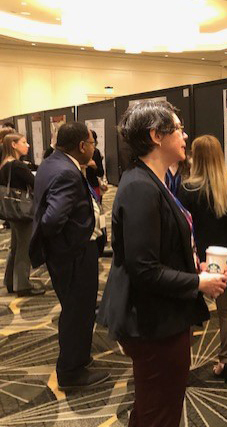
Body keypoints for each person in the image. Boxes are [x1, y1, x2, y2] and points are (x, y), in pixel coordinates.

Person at [97, 100, 227, 427]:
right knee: (160, 411)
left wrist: (194, 269)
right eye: (179, 128)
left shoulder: (150, 181)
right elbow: (144, 269)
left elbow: (156, 252)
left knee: (152, 407)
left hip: (159, 317)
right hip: (153, 322)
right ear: (156, 135)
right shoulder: (141, 187)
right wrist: (200, 283)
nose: (185, 135)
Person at [29, 122, 109, 390]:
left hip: (65, 254)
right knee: (78, 311)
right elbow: (52, 221)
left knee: (77, 309)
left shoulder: (52, 163)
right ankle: (71, 373)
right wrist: (79, 236)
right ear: (81, 146)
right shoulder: (66, 172)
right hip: (73, 254)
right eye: (92, 143)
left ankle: (78, 359)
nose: (94, 148)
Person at [178, 134, 227, 384]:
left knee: (187, 310)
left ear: (195, 158)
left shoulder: (186, 189)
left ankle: (181, 364)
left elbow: (184, 229)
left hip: (197, 260)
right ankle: (226, 361)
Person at [0, 133, 43, 296]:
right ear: (13, 145)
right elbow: (35, 183)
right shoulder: (17, 165)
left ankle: (10, 281)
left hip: (12, 211)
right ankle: (23, 285)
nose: (28, 145)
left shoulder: (5, 164)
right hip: (23, 211)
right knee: (24, 248)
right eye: (24, 142)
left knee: (15, 247)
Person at [85, 130, 105, 202]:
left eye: (92, 142)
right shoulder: (78, 153)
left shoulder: (96, 152)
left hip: (93, 185)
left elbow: (101, 172)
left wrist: (94, 167)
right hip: (82, 186)